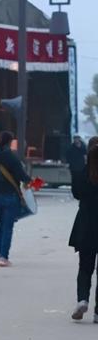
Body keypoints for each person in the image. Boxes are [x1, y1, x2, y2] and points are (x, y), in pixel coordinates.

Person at [0, 131, 31, 267]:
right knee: (8, 227)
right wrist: (29, 181)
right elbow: (22, 175)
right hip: (10, 195)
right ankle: (4, 256)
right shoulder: (12, 157)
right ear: (9, 142)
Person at [69, 136, 98, 323]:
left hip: (86, 224)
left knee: (85, 267)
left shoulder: (81, 173)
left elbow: (76, 194)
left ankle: (82, 299)